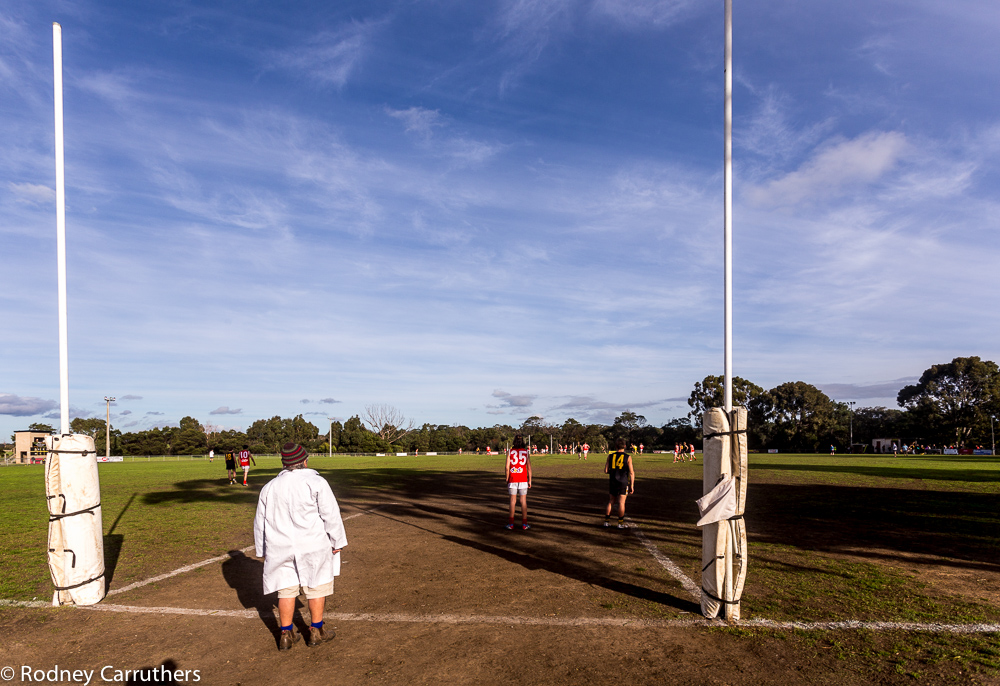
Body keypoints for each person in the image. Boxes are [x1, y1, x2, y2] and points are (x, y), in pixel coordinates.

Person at [254, 443, 348, 651]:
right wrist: (337, 541)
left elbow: (260, 521)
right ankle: (316, 630)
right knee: (316, 585)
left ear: (284, 464)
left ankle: (286, 634)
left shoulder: (269, 487)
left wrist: (262, 550)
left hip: (280, 545)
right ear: (304, 461)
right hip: (312, 543)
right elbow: (330, 514)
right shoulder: (316, 482)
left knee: (285, 589)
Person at [604, 438, 634, 528]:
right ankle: (620, 523)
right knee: (621, 503)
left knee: (611, 501)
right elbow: (631, 472)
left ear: (616, 446)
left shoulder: (610, 456)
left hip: (613, 481)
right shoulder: (628, 457)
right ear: (625, 446)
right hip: (623, 482)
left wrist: (613, 471)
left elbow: (606, 471)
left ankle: (606, 521)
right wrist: (632, 485)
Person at [505, 434, 532, 530]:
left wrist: (507, 478)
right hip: (523, 479)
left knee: (512, 501)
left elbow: (507, 467)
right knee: (523, 501)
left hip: (513, 479)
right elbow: (529, 468)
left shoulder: (510, 452)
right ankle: (524, 524)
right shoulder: (526, 452)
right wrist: (530, 480)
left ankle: (511, 524)